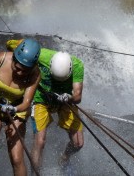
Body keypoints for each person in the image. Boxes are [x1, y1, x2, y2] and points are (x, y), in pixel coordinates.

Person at [7, 40, 85, 173]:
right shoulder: (39, 55)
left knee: (78, 143)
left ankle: (65, 157)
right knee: (40, 141)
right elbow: (14, 46)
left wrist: (68, 97)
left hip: (64, 100)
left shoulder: (77, 66)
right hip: (41, 99)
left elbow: (77, 96)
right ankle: (35, 173)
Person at [0, 38, 41, 176]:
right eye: (17, 68)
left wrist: (14, 109)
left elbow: (26, 102)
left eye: (25, 71)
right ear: (14, 58)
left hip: (17, 110)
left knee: (17, 158)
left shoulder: (35, 74)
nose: (20, 73)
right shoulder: (2, 58)